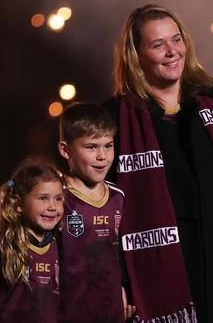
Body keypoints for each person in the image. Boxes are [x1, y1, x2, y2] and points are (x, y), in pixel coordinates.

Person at [103, 4, 213, 323]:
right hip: (160, 263)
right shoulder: (116, 115)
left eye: (176, 40)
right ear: (136, 54)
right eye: (158, 45)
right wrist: (117, 280)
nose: (172, 52)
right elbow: (108, 206)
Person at [57, 102, 133, 322]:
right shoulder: (56, 199)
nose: (102, 156)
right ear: (65, 149)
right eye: (91, 147)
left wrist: (125, 288)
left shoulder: (119, 197)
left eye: (108, 145)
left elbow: (124, 255)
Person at [0, 160, 65, 323]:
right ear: (19, 203)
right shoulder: (0, 242)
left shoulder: (61, 244)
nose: (52, 206)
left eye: (58, 199)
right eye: (43, 198)